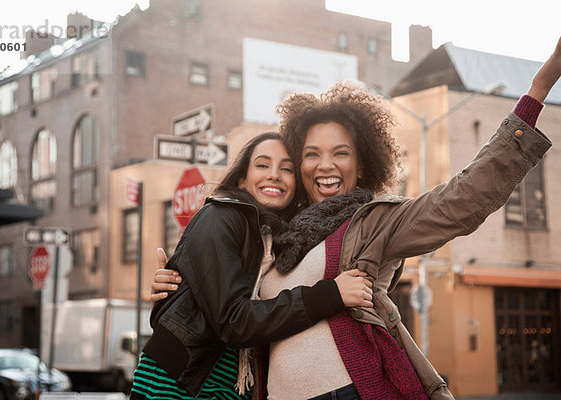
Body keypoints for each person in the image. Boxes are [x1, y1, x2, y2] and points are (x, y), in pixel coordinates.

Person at [152, 37, 561, 399]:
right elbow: (235, 315)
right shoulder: (277, 239)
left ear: (363, 164)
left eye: (340, 153)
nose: (325, 165)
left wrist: (537, 91)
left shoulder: (376, 222)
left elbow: (461, 201)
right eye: (311, 154)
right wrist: (178, 286)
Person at [131, 132, 374, 400]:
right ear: (242, 179)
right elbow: (234, 321)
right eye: (262, 164)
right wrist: (330, 295)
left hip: (232, 388)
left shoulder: (277, 239)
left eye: (286, 169)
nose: (274, 174)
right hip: (177, 386)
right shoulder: (219, 217)